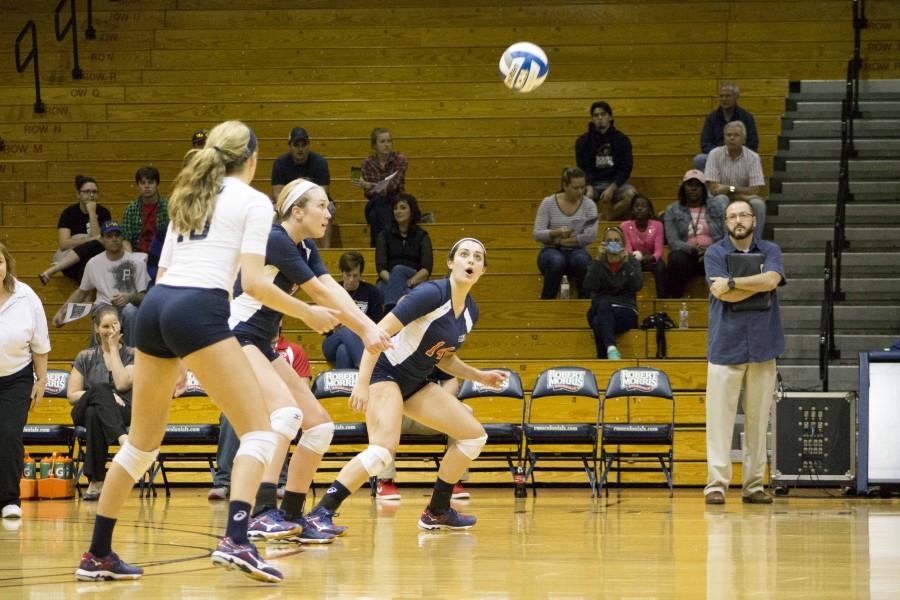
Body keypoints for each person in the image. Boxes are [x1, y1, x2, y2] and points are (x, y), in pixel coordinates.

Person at [74, 120, 341, 584]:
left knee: (140, 446)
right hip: (198, 309)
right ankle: (237, 540)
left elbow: (164, 271)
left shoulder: (189, 193)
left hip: (157, 308)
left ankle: (98, 554)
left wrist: (173, 354)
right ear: (253, 160)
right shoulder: (255, 202)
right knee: (260, 431)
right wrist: (309, 313)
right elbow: (255, 283)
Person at [227, 178, 392, 545]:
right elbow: (318, 293)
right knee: (286, 415)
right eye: (321, 205)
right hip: (236, 337)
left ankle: (292, 515)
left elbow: (331, 287)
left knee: (319, 427)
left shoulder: (302, 248)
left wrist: (368, 326)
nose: (329, 213)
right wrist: (365, 332)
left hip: (261, 341)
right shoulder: (276, 239)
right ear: (296, 211)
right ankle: (261, 512)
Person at [305, 238, 508, 534]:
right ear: (451, 263)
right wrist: (362, 383)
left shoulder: (470, 312)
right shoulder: (430, 293)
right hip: (385, 373)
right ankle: (321, 512)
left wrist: (480, 376)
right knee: (383, 450)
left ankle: (437, 510)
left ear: (483, 270)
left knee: (473, 437)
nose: (471, 260)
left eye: (478, 257)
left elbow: (445, 358)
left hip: (416, 381)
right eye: (464, 254)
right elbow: (377, 332)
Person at [703, 199, 785, 505]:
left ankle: (753, 486)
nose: (738, 220)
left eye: (743, 215)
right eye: (732, 216)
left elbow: (772, 279)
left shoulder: (771, 250)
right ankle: (716, 485)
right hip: (725, 345)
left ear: (754, 219)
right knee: (719, 422)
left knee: (757, 421)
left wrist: (735, 282)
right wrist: (757, 284)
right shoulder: (715, 252)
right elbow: (719, 291)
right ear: (726, 222)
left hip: (764, 345)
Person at [208, 330, 311, 501]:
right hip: (249, 403)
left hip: (279, 404)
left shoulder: (293, 350)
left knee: (284, 417)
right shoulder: (241, 349)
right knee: (229, 416)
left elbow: (303, 388)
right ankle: (223, 483)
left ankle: (280, 481)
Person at [0, 243, 50, 520]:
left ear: (7, 264)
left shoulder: (26, 296)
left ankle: (9, 499)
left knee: (8, 435)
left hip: (15, 379)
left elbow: (40, 343)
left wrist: (41, 380)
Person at [67, 306, 134, 501]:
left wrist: (113, 349)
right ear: (97, 329)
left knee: (94, 414)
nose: (111, 330)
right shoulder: (85, 357)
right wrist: (103, 394)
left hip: (122, 411)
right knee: (100, 389)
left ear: (121, 326)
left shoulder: (131, 354)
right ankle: (123, 439)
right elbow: (72, 395)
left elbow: (122, 384)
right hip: (83, 408)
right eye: (105, 326)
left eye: (115, 325)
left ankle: (95, 481)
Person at [375, 371, 471, 501]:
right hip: (400, 415)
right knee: (382, 413)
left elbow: (451, 381)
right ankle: (385, 481)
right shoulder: (390, 356)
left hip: (432, 415)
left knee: (465, 411)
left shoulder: (434, 352)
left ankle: (451, 482)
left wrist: (440, 405)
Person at [51, 220, 150, 347]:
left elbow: (144, 298)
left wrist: (130, 297)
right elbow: (82, 292)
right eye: (109, 236)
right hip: (104, 305)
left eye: (117, 235)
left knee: (131, 311)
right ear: (102, 240)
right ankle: (95, 357)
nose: (114, 239)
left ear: (122, 238)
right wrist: (62, 312)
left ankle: (132, 356)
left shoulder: (137, 263)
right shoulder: (93, 263)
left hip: (128, 307)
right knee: (103, 312)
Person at [533, 167, 598, 299]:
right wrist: (557, 232)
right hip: (550, 250)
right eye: (575, 188)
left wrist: (560, 241)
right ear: (565, 186)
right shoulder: (548, 203)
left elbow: (589, 236)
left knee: (582, 261)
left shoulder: (589, 205)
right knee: (557, 261)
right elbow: (537, 233)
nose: (580, 192)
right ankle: (547, 300)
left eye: (582, 187)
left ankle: (585, 302)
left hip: (577, 250)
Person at [582, 226, 643, 360]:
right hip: (601, 307)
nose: (613, 243)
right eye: (609, 240)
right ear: (603, 243)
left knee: (599, 322)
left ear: (623, 243)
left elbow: (637, 285)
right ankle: (612, 350)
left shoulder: (632, 261)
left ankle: (606, 355)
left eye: (617, 240)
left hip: (625, 311)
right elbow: (589, 286)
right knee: (603, 305)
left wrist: (626, 263)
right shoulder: (597, 262)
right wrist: (598, 259)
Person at [663, 170, 725, 299]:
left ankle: (722, 301)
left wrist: (710, 250)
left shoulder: (717, 207)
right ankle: (675, 300)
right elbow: (673, 241)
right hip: (687, 255)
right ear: (683, 188)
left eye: (697, 185)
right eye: (689, 185)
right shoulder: (672, 209)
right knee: (676, 259)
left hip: (712, 253)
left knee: (724, 257)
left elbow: (726, 236)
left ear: (703, 188)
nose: (693, 189)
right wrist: (692, 249)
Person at [39, 176, 113, 285]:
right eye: (87, 192)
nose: (91, 195)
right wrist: (89, 239)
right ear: (78, 194)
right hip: (70, 264)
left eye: (94, 192)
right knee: (89, 263)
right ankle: (86, 298)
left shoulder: (103, 212)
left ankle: (52, 271)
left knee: (90, 261)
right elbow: (64, 244)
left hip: (94, 260)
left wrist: (92, 213)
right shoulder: (68, 213)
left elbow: (98, 243)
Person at [271, 127, 334, 247]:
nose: (300, 149)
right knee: (272, 211)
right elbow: (277, 193)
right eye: (296, 145)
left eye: (303, 145)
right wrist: (294, 205)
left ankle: (326, 253)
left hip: (315, 201)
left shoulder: (320, 162)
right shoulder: (280, 163)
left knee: (328, 208)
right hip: (289, 203)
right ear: (290, 146)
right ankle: (279, 250)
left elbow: (323, 191)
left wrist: (307, 204)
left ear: (308, 145)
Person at [574, 101, 637, 220]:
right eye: (596, 115)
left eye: (603, 114)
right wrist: (589, 186)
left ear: (610, 117)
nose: (600, 118)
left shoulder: (622, 140)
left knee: (632, 194)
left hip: (616, 184)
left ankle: (605, 217)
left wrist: (613, 187)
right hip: (593, 183)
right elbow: (583, 168)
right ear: (592, 118)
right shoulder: (583, 141)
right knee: (575, 195)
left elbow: (626, 168)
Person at [322, 251, 384, 369]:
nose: (351, 279)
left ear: (361, 274)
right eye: (348, 274)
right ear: (342, 272)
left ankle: (344, 386)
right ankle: (366, 367)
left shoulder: (372, 292)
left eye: (355, 276)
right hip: (332, 341)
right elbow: (323, 329)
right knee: (346, 329)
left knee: (343, 351)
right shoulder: (331, 292)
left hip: (361, 342)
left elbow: (378, 324)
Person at [705, 121, 768, 237]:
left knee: (758, 204)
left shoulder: (753, 157)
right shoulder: (714, 154)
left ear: (744, 140)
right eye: (728, 135)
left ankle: (755, 242)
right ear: (724, 138)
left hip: (741, 199)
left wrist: (729, 189)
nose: (732, 138)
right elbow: (714, 190)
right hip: (721, 199)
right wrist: (742, 193)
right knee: (721, 199)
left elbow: (754, 190)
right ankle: (726, 240)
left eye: (736, 135)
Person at [375, 194, 433, 311]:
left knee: (399, 270)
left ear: (412, 211)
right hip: (388, 279)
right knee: (383, 288)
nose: (398, 211)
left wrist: (410, 282)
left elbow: (426, 268)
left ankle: (390, 311)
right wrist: (396, 282)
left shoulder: (422, 235)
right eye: (395, 208)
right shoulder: (384, 235)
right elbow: (381, 268)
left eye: (402, 207)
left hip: (414, 278)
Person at [354, 127, 409, 247]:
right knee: (378, 203)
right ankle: (389, 245)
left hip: (396, 201)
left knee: (376, 213)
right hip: (375, 201)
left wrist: (370, 185)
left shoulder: (400, 160)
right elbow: (368, 193)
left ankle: (377, 247)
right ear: (374, 145)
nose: (387, 145)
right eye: (382, 142)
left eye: (389, 141)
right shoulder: (367, 163)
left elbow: (394, 186)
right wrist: (375, 188)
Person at [694, 82, 759, 171]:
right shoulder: (711, 118)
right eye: (721, 96)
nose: (724, 99)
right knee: (699, 159)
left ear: (736, 97)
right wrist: (722, 152)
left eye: (727, 96)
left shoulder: (746, 117)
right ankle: (712, 185)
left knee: (755, 158)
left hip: (739, 156)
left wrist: (735, 152)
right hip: (717, 156)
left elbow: (753, 144)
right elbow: (704, 144)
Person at [620, 195, 666, 298]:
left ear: (649, 211)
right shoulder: (625, 226)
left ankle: (662, 298)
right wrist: (636, 259)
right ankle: (628, 297)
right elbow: (627, 249)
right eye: (637, 206)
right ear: (632, 210)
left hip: (651, 260)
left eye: (643, 206)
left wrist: (650, 258)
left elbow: (659, 251)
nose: (640, 208)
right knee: (626, 264)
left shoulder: (658, 225)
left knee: (660, 265)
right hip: (633, 260)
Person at [121, 166, 169, 255]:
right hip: (137, 254)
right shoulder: (131, 209)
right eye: (143, 183)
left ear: (157, 184)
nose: (147, 186)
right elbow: (125, 239)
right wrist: (132, 260)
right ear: (138, 186)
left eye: (150, 182)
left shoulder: (169, 207)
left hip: (163, 254)